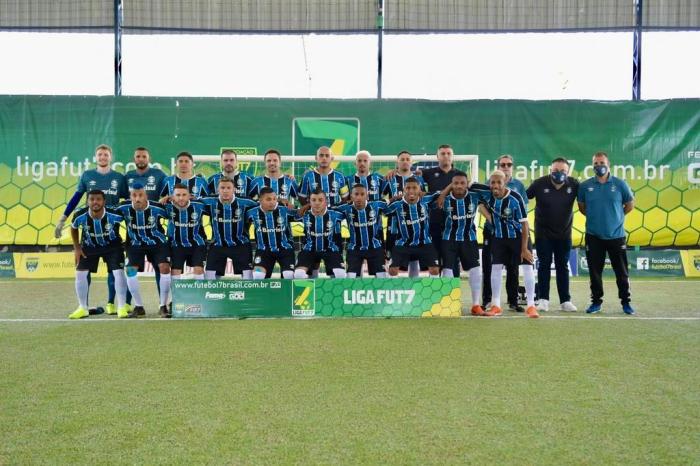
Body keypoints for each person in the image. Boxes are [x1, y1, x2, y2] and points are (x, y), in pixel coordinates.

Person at [55, 143, 129, 316]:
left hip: (112, 229)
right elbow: (76, 198)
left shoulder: (119, 177)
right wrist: (63, 218)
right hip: (90, 232)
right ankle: (83, 306)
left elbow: (127, 200)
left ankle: (113, 303)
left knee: (115, 270)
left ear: (111, 157)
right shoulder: (87, 175)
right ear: (96, 157)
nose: (103, 157)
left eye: (106, 155)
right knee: (83, 269)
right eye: (100, 155)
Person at [577, 152, 635, 315]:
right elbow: (582, 208)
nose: (598, 166)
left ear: (608, 164)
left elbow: (629, 205)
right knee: (595, 272)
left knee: (622, 272)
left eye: (601, 162)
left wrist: (616, 217)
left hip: (616, 236)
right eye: (595, 163)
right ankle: (596, 302)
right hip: (593, 236)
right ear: (592, 165)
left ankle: (626, 302)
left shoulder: (620, 184)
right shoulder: (585, 186)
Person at [526, 157, 579, 312]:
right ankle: (543, 300)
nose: (559, 173)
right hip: (543, 234)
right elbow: (523, 197)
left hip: (564, 235)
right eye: (555, 170)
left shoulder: (574, 185)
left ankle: (565, 301)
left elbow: (586, 201)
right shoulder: (539, 183)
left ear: (568, 172)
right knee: (543, 266)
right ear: (550, 171)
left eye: (562, 171)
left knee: (563, 267)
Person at [436, 171, 493, 316]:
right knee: (447, 270)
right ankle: (448, 304)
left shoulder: (475, 196)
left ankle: (475, 305)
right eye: (455, 183)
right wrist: (444, 192)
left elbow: (491, 190)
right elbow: (422, 196)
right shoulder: (444, 199)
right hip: (448, 239)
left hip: (469, 238)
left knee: (475, 270)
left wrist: (473, 183)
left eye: (462, 183)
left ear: (467, 184)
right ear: (451, 185)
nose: (459, 186)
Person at [483, 170, 539, 318]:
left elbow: (524, 224)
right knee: (495, 268)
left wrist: (524, 249)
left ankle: (531, 306)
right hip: (499, 237)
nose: (495, 185)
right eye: (492, 182)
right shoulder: (486, 194)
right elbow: (470, 189)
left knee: (527, 267)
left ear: (505, 183)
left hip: (519, 237)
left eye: (498, 182)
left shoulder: (515, 198)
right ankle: (496, 305)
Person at [68, 190, 129, 319]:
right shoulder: (80, 215)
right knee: (80, 272)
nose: (95, 202)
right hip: (89, 247)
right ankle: (83, 308)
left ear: (104, 201)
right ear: (87, 201)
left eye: (98, 199)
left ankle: (122, 307)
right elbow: (73, 227)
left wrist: (129, 243)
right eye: (92, 199)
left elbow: (129, 223)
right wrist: (77, 248)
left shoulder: (115, 215)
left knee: (118, 272)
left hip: (113, 246)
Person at [115, 184, 172, 318]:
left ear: (146, 196)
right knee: (130, 271)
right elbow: (108, 215)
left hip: (158, 243)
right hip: (135, 245)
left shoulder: (156, 208)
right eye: (134, 195)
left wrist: (171, 198)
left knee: (164, 268)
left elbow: (173, 214)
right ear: (130, 197)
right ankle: (139, 306)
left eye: (141, 195)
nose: (138, 198)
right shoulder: (123, 208)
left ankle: (163, 306)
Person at [125, 146, 167, 298]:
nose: (141, 159)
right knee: (130, 268)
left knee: (160, 267)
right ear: (134, 159)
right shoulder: (128, 176)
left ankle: (163, 303)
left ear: (149, 159)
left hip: (153, 226)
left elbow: (167, 194)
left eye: (144, 156)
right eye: (138, 157)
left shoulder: (159, 175)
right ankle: (131, 303)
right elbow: (124, 198)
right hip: (134, 231)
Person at [201, 177, 257, 279]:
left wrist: (282, 202)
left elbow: (264, 205)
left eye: (228, 188)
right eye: (222, 188)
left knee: (248, 277)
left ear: (234, 189)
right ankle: (213, 294)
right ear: (218, 189)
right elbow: (189, 202)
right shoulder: (209, 201)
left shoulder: (246, 202)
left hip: (241, 244)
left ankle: (248, 294)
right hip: (218, 244)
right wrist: (168, 198)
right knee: (209, 278)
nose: (225, 191)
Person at [384, 177, 440, 278]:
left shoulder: (426, 199)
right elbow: (380, 209)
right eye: (408, 188)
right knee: (392, 270)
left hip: (425, 242)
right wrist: (392, 198)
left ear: (420, 189)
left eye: (414, 188)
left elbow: (441, 194)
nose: (411, 191)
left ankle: (431, 292)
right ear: (404, 189)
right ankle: (397, 292)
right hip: (403, 243)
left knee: (435, 270)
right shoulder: (396, 205)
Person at [383, 151, 427, 277]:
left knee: (414, 261)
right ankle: (392, 291)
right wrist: (392, 200)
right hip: (394, 227)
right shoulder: (390, 178)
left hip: (414, 226)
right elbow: (382, 200)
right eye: (402, 159)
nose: (405, 161)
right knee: (392, 262)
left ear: (411, 162)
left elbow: (424, 197)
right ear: (397, 162)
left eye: (408, 159)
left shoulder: (419, 179)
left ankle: (413, 290)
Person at [420, 144, 460, 276]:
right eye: (443, 153)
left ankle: (452, 294)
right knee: (434, 262)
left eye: (449, 153)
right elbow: (409, 175)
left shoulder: (460, 175)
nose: (446, 156)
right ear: (437, 157)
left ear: (453, 157)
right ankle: (434, 294)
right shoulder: (428, 173)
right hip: (434, 222)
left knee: (452, 262)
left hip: (454, 224)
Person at [332, 184, 388, 278]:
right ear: (351, 196)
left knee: (381, 277)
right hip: (354, 248)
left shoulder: (376, 205)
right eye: (356, 194)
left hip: (375, 247)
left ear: (367, 195)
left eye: (362, 194)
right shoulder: (346, 208)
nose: (359, 197)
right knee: (350, 277)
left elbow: (390, 201)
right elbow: (328, 209)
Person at [293, 188, 347, 279]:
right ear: (309, 202)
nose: (317, 203)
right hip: (309, 250)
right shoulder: (303, 215)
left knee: (340, 275)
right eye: (313, 200)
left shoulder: (336, 215)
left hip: (330, 250)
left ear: (326, 201)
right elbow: (291, 215)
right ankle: (310, 290)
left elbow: (351, 211)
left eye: (320, 200)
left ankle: (333, 291)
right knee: (298, 275)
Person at [245, 187, 297, 279]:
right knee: (258, 275)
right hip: (263, 251)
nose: (272, 202)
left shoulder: (285, 210)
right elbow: (244, 226)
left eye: (274, 199)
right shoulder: (251, 213)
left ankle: (287, 293)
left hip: (285, 250)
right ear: (260, 200)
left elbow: (302, 215)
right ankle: (263, 293)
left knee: (288, 275)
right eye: (268, 199)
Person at [166, 184, 208, 283]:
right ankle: (176, 297)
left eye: (184, 195)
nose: (181, 198)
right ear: (173, 196)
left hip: (196, 244)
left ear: (189, 196)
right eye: (178, 195)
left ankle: (200, 295)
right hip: (176, 244)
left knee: (198, 269)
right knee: (175, 271)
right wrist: (163, 199)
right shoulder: (167, 207)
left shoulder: (200, 206)